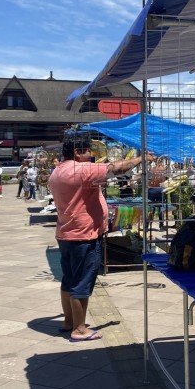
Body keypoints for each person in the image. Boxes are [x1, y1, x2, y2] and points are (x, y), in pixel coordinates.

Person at [48, 130, 154, 342]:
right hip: (84, 236)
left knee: (69, 280)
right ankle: (79, 329)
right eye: (88, 150)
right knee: (82, 283)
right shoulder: (81, 170)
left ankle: (69, 321)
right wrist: (143, 158)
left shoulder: (58, 171)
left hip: (66, 234)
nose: (92, 155)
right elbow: (117, 168)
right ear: (78, 152)